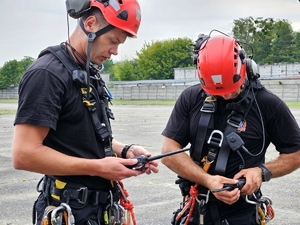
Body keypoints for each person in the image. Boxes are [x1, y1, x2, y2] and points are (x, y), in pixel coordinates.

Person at [12, 0, 158, 224]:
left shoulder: (87, 73)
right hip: (69, 211)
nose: (115, 52)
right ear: (90, 24)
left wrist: (126, 150)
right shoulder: (47, 74)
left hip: (98, 210)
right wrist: (99, 168)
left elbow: (83, 135)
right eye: (113, 41)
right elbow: (24, 154)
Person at [161, 33, 300, 225]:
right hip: (197, 210)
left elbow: (296, 153)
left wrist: (262, 172)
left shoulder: (268, 105)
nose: (226, 97)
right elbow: (169, 152)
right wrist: (207, 180)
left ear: (245, 67)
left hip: (243, 212)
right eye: (217, 92)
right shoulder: (191, 98)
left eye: (231, 89)